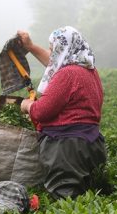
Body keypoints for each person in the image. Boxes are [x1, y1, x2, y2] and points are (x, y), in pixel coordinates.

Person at [17, 26, 111, 199]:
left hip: (67, 149)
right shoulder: (88, 70)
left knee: (65, 199)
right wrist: (30, 47)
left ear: (63, 50)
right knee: (90, 198)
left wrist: (27, 105)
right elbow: (56, 62)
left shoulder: (67, 74)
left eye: (54, 50)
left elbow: (41, 112)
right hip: (91, 144)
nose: (52, 55)